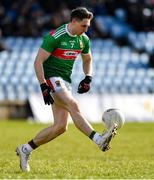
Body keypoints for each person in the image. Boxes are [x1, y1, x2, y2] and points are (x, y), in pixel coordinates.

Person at [16, 7, 117, 172]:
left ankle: (25, 149)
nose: (86, 29)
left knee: (61, 127)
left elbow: (88, 59)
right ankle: (99, 139)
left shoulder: (83, 39)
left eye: (88, 26)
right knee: (74, 105)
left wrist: (88, 77)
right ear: (74, 21)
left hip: (65, 81)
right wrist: (43, 86)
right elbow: (38, 62)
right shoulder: (55, 36)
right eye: (84, 25)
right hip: (51, 78)